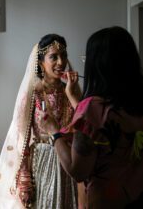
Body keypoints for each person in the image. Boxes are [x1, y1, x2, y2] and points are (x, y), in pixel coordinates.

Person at [41, 26, 143, 208]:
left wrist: (54, 132)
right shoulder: (135, 102)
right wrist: (75, 100)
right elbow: (101, 123)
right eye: (53, 57)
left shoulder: (91, 108)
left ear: (98, 64)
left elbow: (77, 171)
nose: (61, 62)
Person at [0, 34, 82, 208]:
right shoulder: (33, 94)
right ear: (41, 62)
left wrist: (72, 95)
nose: (60, 62)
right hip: (42, 165)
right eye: (53, 57)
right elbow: (22, 136)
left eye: (63, 56)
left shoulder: (70, 91)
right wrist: (24, 179)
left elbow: (85, 126)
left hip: (68, 163)